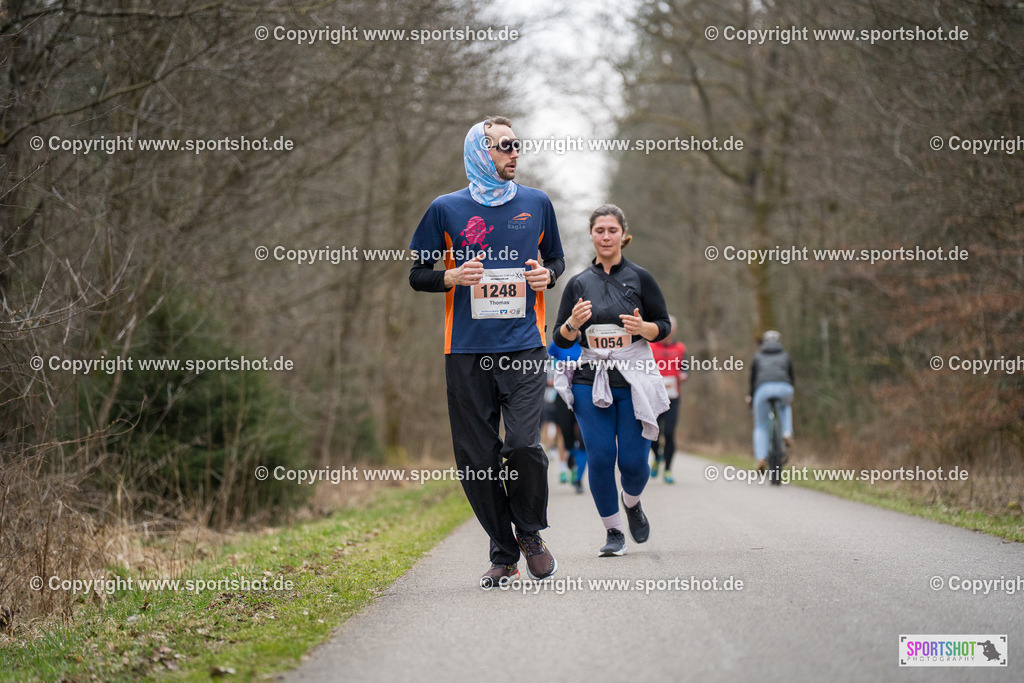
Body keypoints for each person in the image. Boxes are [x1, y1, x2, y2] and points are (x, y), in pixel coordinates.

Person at [409, 116, 564, 588]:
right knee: (476, 459)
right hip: (465, 351)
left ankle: (530, 533)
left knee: (522, 446)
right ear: (481, 151)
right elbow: (418, 273)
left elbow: (555, 258)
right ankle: (503, 550)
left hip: (523, 346)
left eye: (518, 145)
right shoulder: (445, 209)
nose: (515, 153)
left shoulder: (537, 203)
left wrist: (549, 277)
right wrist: (450, 278)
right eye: (504, 146)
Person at [553, 204, 670, 556]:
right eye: (599, 230)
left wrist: (643, 328)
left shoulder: (640, 278)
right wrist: (573, 324)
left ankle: (631, 503)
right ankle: (613, 532)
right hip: (590, 379)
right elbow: (559, 341)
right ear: (591, 235)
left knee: (633, 463)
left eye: (612, 230)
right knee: (601, 458)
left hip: (632, 379)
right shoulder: (577, 284)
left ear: (623, 235)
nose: (605, 236)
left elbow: (662, 326)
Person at [745, 330, 795, 472]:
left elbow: (753, 380)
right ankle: (787, 432)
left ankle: (761, 458)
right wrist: (791, 391)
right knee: (785, 407)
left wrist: (750, 396)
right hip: (784, 387)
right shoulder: (785, 355)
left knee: (760, 425)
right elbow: (791, 376)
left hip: (762, 389)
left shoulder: (758, 356)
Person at [649, 315, 686, 484]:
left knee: (670, 433)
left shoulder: (680, 348)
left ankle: (668, 469)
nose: (668, 332)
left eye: (671, 329)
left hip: (673, 396)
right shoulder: (649, 346)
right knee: (652, 434)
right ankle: (657, 456)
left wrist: (684, 375)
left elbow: (686, 368)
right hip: (654, 396)